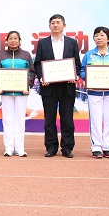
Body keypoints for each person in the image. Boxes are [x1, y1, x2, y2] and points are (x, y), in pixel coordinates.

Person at [33, 14, 82, 158]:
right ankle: (51, 147)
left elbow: (77, 63)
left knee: (67, 119)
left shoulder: (72, 42)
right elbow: (38, 63)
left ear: (64, 25)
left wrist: (74, 75)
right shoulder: (43, 43)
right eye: (52, 23)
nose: (55, 25)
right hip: (49, 86)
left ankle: (67, 147)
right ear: (49, 26)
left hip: (67, 86)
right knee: (49, 119)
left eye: (58, 22)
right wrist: (42, 77)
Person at [80, 27, 109, 159]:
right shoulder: (89, 55)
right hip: (94, 92)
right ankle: (96, 147)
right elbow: (82, 70)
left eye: (102, 35)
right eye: (96, 35)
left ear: (108, 38)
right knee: (95, 120)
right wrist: (87, 78)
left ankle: (107, 147)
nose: (98, 38)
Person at [0, 31, 35, 157]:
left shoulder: (26, 55)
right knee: (7, 120)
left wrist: (28, 85)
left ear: (19, 41)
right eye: (10, 38)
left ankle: (19, 148)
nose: (13, 41)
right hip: (6, 92)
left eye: (15, 38)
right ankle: (8, 148)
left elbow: (32, 72)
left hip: (21, 92)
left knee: (19, 120)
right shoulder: (1, 55)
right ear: (6, 41)